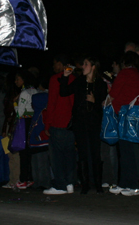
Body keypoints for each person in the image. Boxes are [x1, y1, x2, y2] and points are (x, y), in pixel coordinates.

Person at [59, 56, 107, 193]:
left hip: (94, 123)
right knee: (82, 153)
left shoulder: (100, 84)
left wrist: (95, 100)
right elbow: (64, 92)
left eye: (86, 64)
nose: (83, 66)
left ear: (93, 67)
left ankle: (98, 184)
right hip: (80, 122)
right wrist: (65, 77)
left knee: (95, 153)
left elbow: (104, 104)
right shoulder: (79, 81)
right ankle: (85, 185)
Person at [107, 51, 139, 196]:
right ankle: (125, 183)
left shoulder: (125, 74)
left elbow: (114, 93)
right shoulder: (136, 74)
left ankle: (131, 185)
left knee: (125, 152)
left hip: (124, 115)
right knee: (128, 151)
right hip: (133, 114)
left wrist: (106, 103)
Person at [43, 55, 77, 195]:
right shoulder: (75, 79)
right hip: (71, 124)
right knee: (69, 154)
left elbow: (52, 102)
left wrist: (48, 124)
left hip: (58, 121)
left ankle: (60, 185)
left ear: (62, 65)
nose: (53, 66)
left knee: (57, 156)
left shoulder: (55, 79)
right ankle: (69, 183)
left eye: (55, 63)